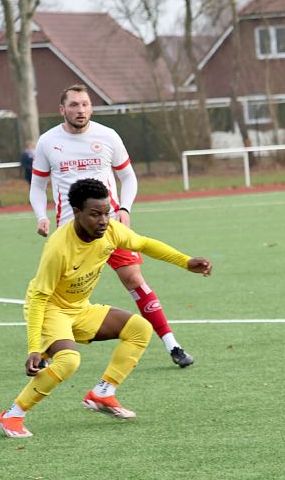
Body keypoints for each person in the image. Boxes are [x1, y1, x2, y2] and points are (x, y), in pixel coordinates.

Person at [0, 179, 212, 438]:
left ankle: (102, 393)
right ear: (76, 212)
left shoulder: (110, 231)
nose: (103, 220)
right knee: (68, 361)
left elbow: (143, 244)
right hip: (50, 310)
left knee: (139, 329)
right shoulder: (58, 248)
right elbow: (40, 298)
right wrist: (34, 348)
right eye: (95, 214)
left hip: (80, 308)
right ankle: (13, 414)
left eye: (107, 212)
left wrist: (186, 262)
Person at [30, 84, 195, 367]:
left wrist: (126, 209)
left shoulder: (107, 136)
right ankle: (44, 349)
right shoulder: (47, 141)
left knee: (134, 279)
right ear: (62, 110)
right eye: (73, 105)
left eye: (84, 104)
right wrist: (40, 216)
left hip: (108, 227)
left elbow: (128, 178)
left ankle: (172, 344)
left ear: (91, 107)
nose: (80, 110)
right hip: (70, 235)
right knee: (58, 296)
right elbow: (37, 185)